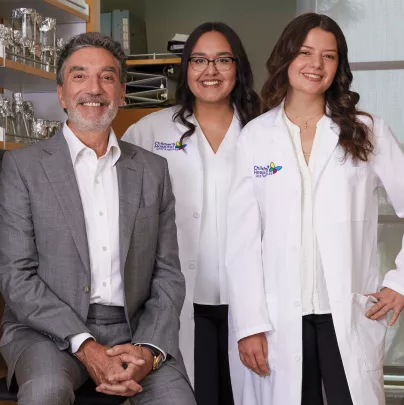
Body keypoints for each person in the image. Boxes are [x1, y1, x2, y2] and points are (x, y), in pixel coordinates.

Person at [224, 13, 404, 405]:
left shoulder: (365, 130)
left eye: (329, 56)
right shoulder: (255, 138)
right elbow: (241, 243)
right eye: (305, 52)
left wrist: (403, 283)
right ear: (286, 58)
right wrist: (249, 324)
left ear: (339, 66)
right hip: (279, 320)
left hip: (346, 313)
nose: (316, 65)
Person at [0, 32, 196, 405]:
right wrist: (86, 346)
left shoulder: (152, 170)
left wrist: (148, 351)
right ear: (61, 93)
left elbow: (167, 274)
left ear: (121, 92)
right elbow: (15, 274)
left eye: (106, 77)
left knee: (177, 401)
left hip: (134, 330)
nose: (94, 88)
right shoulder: (24, 168)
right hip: (45, 333)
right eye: (79, 76)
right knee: (45, 393)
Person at [122, 22, 260, 405]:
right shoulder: (148, 131)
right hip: (177, 302)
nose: (210, 70)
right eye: (199, 60)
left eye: (222, 60)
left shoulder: (264, 132)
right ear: (185, 68)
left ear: (238, 67)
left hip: (249, 302)